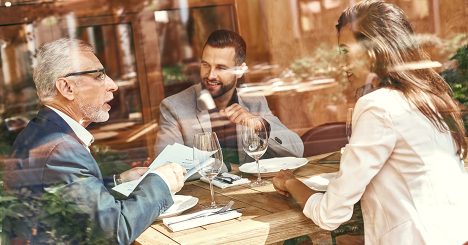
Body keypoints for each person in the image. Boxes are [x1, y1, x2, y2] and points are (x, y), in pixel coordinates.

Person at [272, 1, 468, 244]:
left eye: (346, 51)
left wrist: (290, 182)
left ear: (373, 50)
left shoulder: (378, 105)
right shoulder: (430, 97)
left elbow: (330, 213)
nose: (342, 64)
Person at [5, 38, 186, 244]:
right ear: (67, 87)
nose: (113, 85)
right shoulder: (60, 149)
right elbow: (113, 232)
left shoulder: (41, 131)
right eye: (99, 76)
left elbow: (71, 198)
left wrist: (119, 181)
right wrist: (160, 182)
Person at [156, 30, 304, 171]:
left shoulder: (253, 101)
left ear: (239, 71)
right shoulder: (173, 107)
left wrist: (261, 126)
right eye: (206, 65)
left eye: (221, 68)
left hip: (249, 194)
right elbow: (166, 166)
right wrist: (227, 167)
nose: (211, 75)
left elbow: (297, 151)